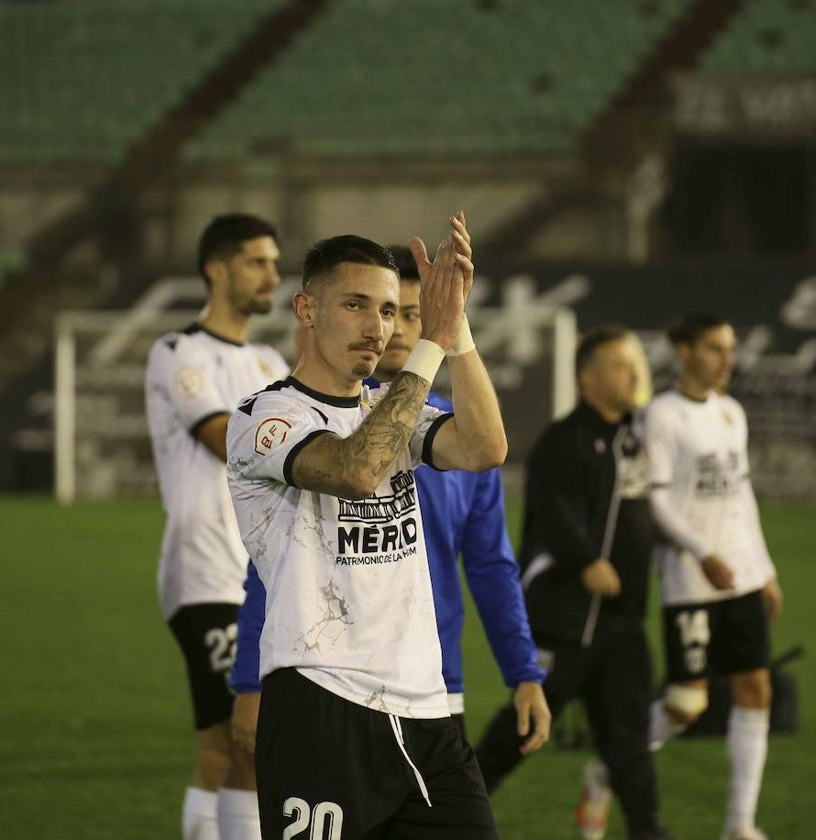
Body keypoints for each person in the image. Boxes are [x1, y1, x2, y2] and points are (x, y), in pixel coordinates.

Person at [225, 215, 548, 839]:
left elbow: (485, 448)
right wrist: (428, 350)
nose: (378, 328)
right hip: (322, 705)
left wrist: (456, 333)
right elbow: (356, 469)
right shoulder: (266, 418)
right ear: (306, 308)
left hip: (425, 709)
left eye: (390, 311)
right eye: (355, 305)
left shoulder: (390, 408)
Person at [473, 326, 673, 840]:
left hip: (621, 622)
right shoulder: (565, 441)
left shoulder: (635, 440)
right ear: (588, 378)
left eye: (635, 364)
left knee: (629, 740)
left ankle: (648, 831)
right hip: (566, 619)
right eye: (619, 365)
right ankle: (450, 817)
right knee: (521, 730)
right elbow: (553, 510)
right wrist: (586, 560)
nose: (634, 374)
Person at [144, 214, 287, 840]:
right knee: (231, 743)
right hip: (205, 571)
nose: (273, 275)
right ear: (217, 268)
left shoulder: (268, 359)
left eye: (274, 262)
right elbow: (224, 439)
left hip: (261, 576)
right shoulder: (180, 354)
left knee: (257, 746)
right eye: (257, 261)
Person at [643, 313, 784, 840]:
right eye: (714, 348)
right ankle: (610, 771)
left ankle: (739, 824)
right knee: (686, 703)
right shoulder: (661, 415)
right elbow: (655, 500)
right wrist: (701, 551)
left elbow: (741, 496)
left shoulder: (732, 413)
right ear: (684, 351)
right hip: (690, 578)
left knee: (756, 689)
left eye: (730, 348)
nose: (727, 360)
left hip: (741, 577)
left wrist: (764, 570)